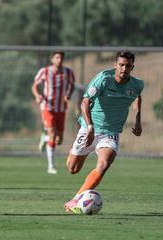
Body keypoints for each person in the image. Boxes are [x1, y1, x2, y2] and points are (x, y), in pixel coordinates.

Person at [64, 50, 143, 213]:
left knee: (104, 164)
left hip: (111, 132)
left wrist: (137, 118)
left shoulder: (137, 85)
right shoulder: (103, 79)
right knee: (72, 168)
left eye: (128, 66)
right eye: (121, 65)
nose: (124, 69)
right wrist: (90, 127)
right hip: (89, 128)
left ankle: (76, 199)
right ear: (115, 65)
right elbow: (85, 102)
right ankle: (75, 151)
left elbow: (137, 96)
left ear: (132, 67)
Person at [31, 51, 75, 174]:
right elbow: (34, 85)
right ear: (52, 59)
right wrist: (37, 95)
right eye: (57, 57)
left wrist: (68, 95)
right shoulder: (44, 71)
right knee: (52, 133)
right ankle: (51, 166)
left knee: (58, 140)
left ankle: (44, 138)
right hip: (47, 106)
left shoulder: (68, 72)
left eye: (61, 57)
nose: (59, 60)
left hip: (61, 108)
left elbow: (72, 85)